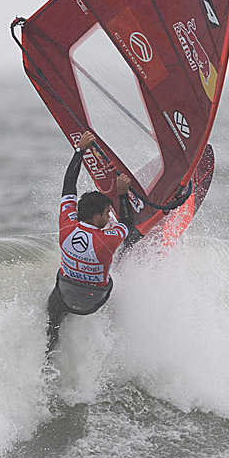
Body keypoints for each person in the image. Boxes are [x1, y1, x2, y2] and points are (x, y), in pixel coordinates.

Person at [45, 131, 141, 352]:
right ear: (97, 216)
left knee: (53, 312)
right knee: (128, 241)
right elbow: (127, 223)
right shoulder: (108, 240)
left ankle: (50, 348)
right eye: (107, 213)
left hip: (66, 297)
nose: (109, 218)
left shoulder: (67, 225)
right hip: (96, 301)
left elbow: (69, 186)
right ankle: (111, 335)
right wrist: (123, 194)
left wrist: (80, 150)